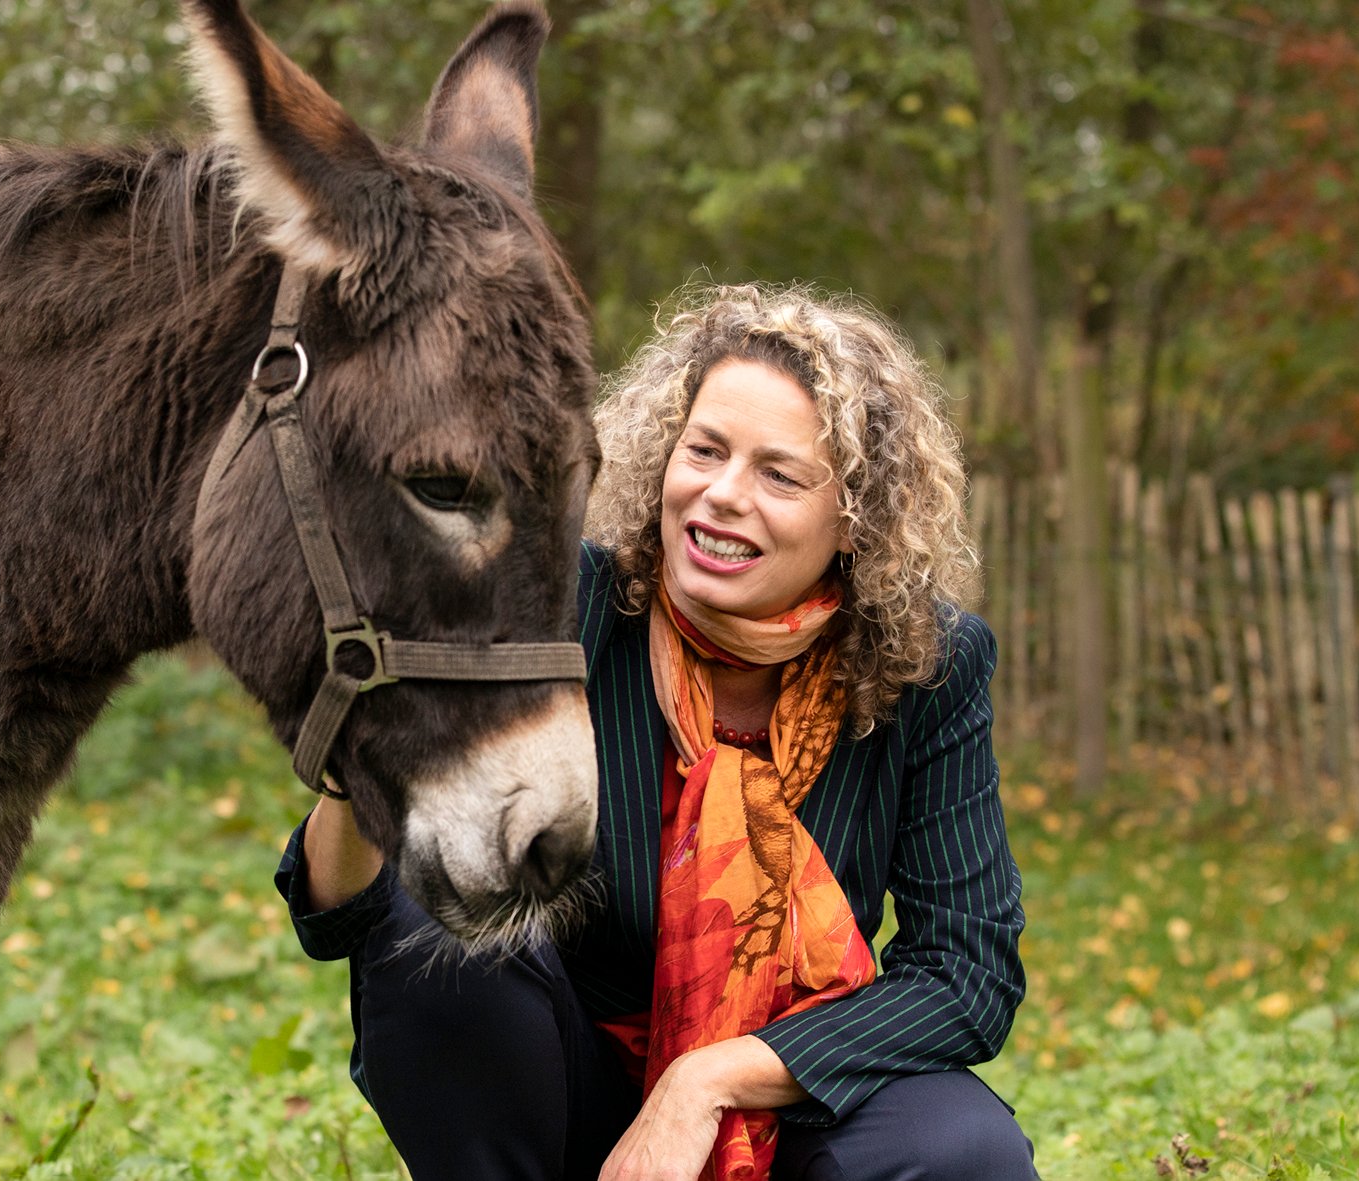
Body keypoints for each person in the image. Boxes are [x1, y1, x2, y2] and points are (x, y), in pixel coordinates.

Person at [276, 283, 1035, 1181]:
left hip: (788, 1102)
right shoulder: (564, 606)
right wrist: (351, 770)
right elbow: (349, 918)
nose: (721, 495)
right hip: (560, 1092)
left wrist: (706, 1079)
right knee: (443, 923)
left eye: (779, 474)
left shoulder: (931, 668)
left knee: (961, 1148)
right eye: (704, 451)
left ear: (854, 520)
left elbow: (965, 974)